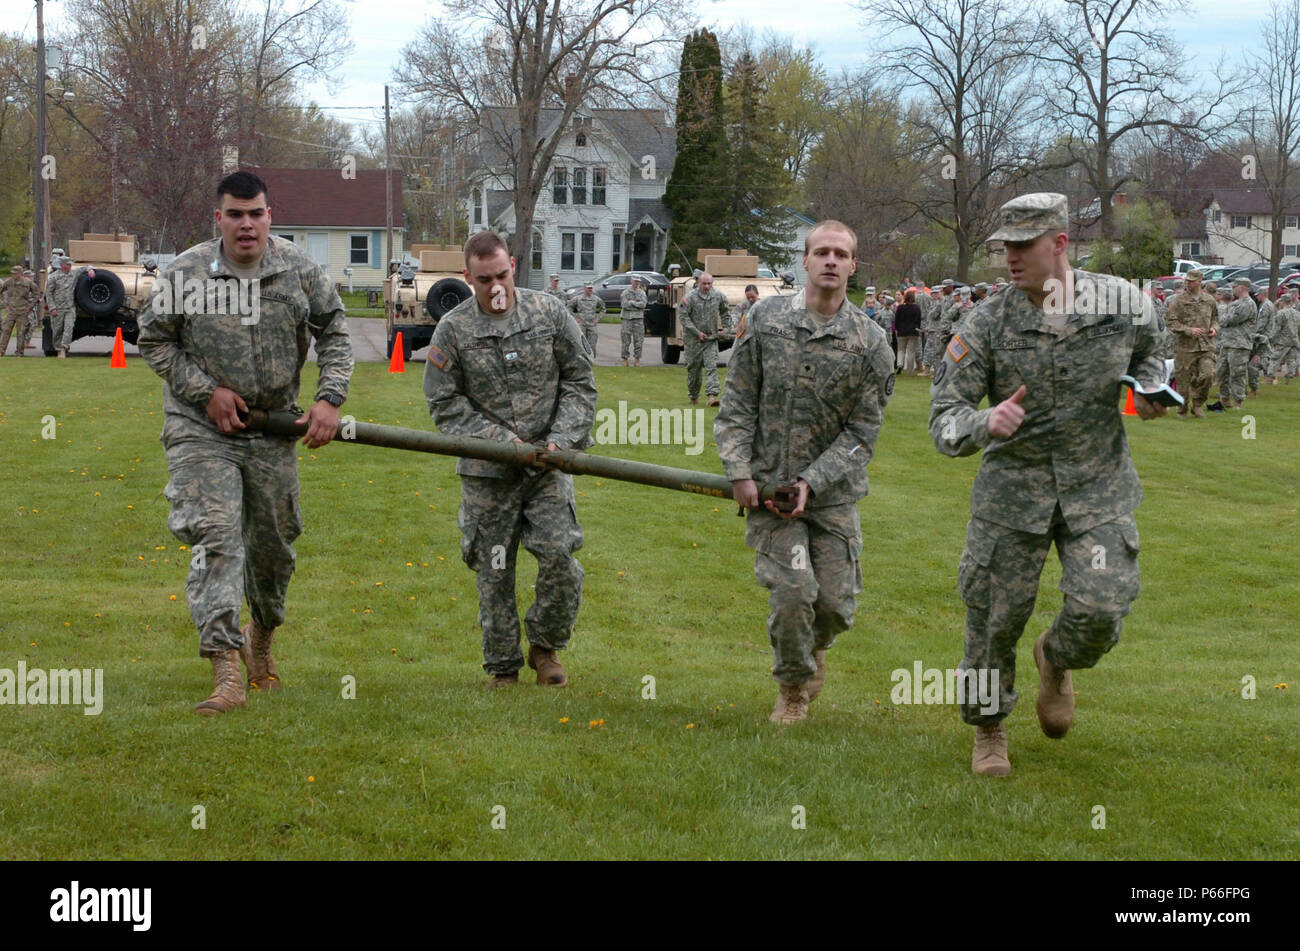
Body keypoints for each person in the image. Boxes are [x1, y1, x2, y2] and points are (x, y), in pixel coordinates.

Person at [929, 192, 1169, 776]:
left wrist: (1149, 389)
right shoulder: (986, 321)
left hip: (1098, 487)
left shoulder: (1124, 305)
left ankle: (1055, 659)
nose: (1009, 258)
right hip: (1013, 493)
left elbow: (1152, 357)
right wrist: (986, 422)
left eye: (1022, 246)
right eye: (1003, 247)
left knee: (1103, 607)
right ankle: (988, 730)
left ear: (1059, 243)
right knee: (992, 619)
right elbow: (944, 418)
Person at [137, 170, 354, 715]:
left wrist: (329, 398)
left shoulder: (299, 270)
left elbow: (336, 332)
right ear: (219, 219)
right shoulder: (186, 272)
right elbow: (153, 340)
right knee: (217, 536)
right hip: (201, 429)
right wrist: (205, 391)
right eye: (235, 214)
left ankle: (263, 635)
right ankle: (226, 669)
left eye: (256, 213)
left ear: (269, 216)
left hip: (273, 429)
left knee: (274, 548)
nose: (247, 224)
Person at [715, 220, 893, 724]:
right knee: (795, 592)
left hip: (832, 496)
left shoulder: (870, 341)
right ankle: (792, 688)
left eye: (841, 254)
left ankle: (815, 650)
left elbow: (863, 432)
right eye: (822, 252)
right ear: (806, 260)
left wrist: (813, 481)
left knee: (836, 605)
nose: (831, 261)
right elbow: (736, 405)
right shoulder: (765, 320)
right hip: (771, 492)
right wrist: (740, 472)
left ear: (853, 265)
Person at [423, 230, 597, 688]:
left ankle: (546, 647)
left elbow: (580, 380)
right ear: (467, 277)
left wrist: (562, 439)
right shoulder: (453, 330)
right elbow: (444, 404)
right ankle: (502, 666)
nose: (495, 286)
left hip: (549, 467)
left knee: (561, 556)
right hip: (489, 472)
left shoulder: (550, 313)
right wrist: (500, 441)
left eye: (502, 275)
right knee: (494, 568)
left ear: (513, 266)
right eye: (484, 279)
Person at [1165, 268, 1218, 418]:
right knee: (1183, 381)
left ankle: (1197, 404)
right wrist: (1188, 330)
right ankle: (1182, 410)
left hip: (1206, 345)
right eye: (1187, 280)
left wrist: (1214, 328)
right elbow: (1171, 322)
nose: (1188, 283)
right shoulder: (1179, 300)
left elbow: (1216, 318)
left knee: (1208, 375)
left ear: (1200, 282)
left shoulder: (1209, 300)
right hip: (1185, 347)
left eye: (1191, 281)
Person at [678, 271, 730, 406]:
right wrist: (697, 332)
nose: (707, 286)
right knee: (693, 370)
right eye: (704, 284)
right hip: (692, 341)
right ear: (698, 283)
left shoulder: (718, 296)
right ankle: (694, 397)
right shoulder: (689, 298)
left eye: (709, 283)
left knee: (711, 366)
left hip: (711, 339)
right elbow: (683, 317)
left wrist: (726, 328)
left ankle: (712, 397)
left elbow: (725, 312)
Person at [1216, 278, 1256, 410]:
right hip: (1227, 342)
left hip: (1239, 344)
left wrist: (1223, 318)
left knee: (1237, 373)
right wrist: (1224, 318)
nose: (1233, 289)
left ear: (1243, 288)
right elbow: (1225, 319)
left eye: (1235, 286)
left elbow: (1232, 319)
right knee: (1222, 372)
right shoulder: (1235, 303)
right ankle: (1224, 399)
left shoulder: (1247, 304)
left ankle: (1238, 401)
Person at [44, 257, 82, 358]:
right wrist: (52, 308)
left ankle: (63, 349)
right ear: (62, 265)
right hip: (58, 308)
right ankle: (58, 348)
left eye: (70, 265)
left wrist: (90, 270)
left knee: (68, 328)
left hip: (70, 308)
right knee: (57, 331)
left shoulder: (73, 274)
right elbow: (48, 293)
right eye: (68, 264)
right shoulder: (53, 277)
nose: (70, 266)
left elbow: (84, 269)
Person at [0, 264, 38, 356]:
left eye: (15, 273)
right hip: (11, 311)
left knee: (21, 333)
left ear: (20, 274)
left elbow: (36, 295)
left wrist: (30, 306)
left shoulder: (28, 283)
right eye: (12, 273)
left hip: (23, 311)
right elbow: (0, 292)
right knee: (6, 330)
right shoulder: (8, 282)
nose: (13, 275)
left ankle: (19, 352)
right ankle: (1, 351)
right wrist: (5, 304)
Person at [1272, 291, 1300, 382]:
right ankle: (1290, 377)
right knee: (1292, 359)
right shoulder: (1297, 313)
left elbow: (1277, 328)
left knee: (1275, 358)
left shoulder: (1281, 313)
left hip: (1283, 340)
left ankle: (1270, 376)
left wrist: (1272, 338)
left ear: (1283, 301)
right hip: (1294, 339)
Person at [619, 276, 648, 366]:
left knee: (638, 340)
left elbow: (643, 304)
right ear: (631, 281)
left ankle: (637, 359)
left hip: (638, 319)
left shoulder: (642, 293)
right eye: (635, 281)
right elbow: (624, 305)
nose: (637, 283)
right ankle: (625, 359)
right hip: (626, 319)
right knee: (625, 340)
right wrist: (636, 305)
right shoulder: (625, 292)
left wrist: (632, 302)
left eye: (638, 282)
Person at [570, 283, 604, 358]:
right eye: (588, 288)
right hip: (582, 324)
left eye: (591, 288)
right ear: (584, 288)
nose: (590, 289)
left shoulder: (596, 299)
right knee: (581, 343)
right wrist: (575, 317)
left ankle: (592, 360)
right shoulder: (578, 298)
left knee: (592, 343)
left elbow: (603, 309)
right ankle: (581, 360)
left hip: (592, 324)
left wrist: (598, 318)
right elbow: (569, 307)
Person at [894, 288, 922, 373]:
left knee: (901, 350)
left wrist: (897, 329)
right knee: (911, 351)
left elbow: (896, 320)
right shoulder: (917, 308)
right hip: (913, 331)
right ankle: (910, 369)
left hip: (901, 331)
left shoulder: (900, 307)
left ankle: (899, 364)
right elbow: (919, 320)